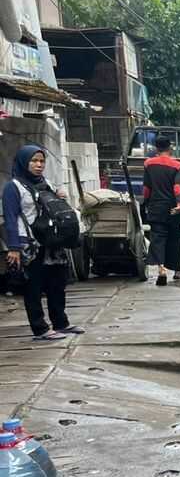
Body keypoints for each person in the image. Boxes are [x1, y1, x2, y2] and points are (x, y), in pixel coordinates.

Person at [2, 146, 85, 341]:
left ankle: (61, 323)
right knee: (34, 287)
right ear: (24, 162)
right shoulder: (13, 187)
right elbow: (10, 219)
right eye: (34, 161)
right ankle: (40, 328)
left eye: (42, 161)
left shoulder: (44, 183)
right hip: (29, 244)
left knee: (57, 283)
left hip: (50, 241)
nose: (39, 165)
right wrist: (14, 248)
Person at [142, 135, 180, 286]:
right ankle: (177, 271)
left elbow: (147, 188)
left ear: (156, 148)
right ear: (170, 148)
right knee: (174, 238)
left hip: (155, 206)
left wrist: (147, 203)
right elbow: (177, 188)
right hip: (172, 207)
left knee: (157, 238)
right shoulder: (177, 166)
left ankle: (161, 270)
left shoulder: (149, 164)